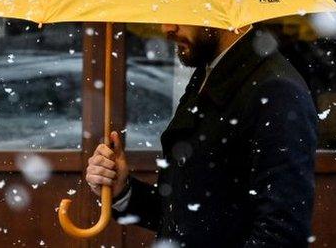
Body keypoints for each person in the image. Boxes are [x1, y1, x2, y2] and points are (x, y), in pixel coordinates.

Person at [85, 23, 318, 247]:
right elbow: (189, 212)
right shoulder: (209, 74)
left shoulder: (276, 91)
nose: (167, 29)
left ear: (217, 7)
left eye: (179, 13)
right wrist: (123, 191)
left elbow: (282, 232)